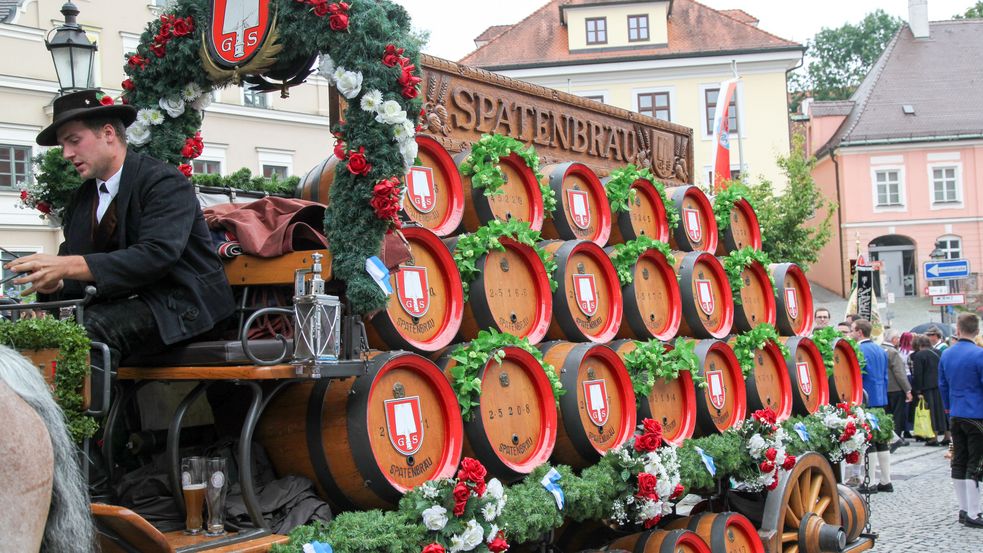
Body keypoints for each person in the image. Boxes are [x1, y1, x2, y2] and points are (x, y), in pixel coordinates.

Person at [3, 89, 235, 371]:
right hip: (130, 306)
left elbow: (156, 255)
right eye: (63, 145)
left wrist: (67, 267)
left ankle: (81, 417)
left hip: (182, 305)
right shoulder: (83, 198)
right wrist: (57, 283)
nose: (66, 154)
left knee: (92, 329)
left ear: (109, 133)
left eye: (73, 141)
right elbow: (76, 264)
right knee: (37, 333)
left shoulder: (163, 181)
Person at [939, 312, 983, 528]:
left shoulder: (947, 354)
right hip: (977, 414)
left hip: (955, 413)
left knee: (959, 460)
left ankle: (964, 509)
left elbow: (942, 385)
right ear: (977, 331)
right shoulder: (979, 354)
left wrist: (948, 408)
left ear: (958, 329)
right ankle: (974, 513)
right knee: (975, 463)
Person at [852, 318, 894, 493]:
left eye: (853, 330)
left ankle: (869, 482)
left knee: (870, 441)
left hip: (866, 398)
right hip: (881, 397)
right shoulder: (881, 349)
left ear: (860, 332)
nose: (851, 332)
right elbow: (885, 376)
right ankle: (886, 480)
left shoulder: (858, 350)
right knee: (882, 439)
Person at [911, 335, 948, 446]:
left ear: (919, 345)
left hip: (927, 388)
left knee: (931, 412)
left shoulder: (919, 355)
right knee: (943, 412)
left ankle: (933, 438)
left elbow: (918, 374)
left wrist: (918, 391)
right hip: (941, 385)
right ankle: (947, 436)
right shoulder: (939, 352)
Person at [882, 328, 912, 449]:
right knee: (897, 415)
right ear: (894, 339)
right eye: (898, 338)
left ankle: (887, 437)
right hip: (895, 388)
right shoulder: (893, 352)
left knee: (887, 414)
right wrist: (907, 389)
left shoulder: (880, 349)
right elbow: (899, 372)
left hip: (884, 388)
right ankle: (896, 438)